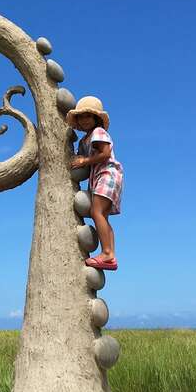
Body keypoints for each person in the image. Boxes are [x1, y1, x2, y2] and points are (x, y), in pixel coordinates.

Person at [67, 95, 123, 271]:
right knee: (101, 215)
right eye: (81, 117)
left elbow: (105, 153)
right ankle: (110, 255)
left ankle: (107, 253)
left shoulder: (98, 132)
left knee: (96, 212)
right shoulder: (84, 140)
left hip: (107, 174)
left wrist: (84, 161)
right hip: (99, 177)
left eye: (88, 116)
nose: (84, 120)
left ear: (96, 118)